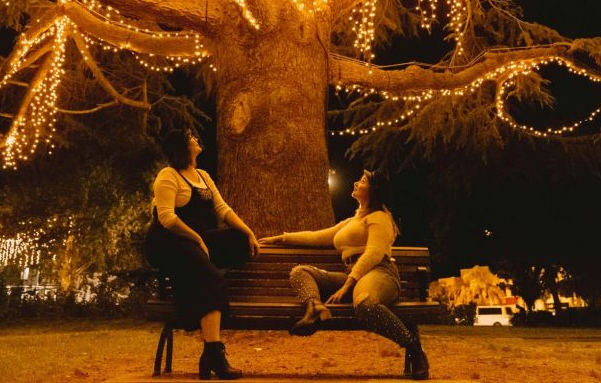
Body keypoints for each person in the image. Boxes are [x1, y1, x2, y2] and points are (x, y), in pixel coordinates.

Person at [259, 170, 429, 380]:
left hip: (379, 273)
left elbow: (374, 254)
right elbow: (317, 237)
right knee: (300, 272)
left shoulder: (380, 217)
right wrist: (282, 238)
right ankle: (315, 309)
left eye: (364, 181)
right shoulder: (352, 221)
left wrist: (347, 285)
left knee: (365, 305)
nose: (357, 182)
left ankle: (414, 348)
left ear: (374, 190)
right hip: (354, 277)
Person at [145, 128, 260, 380]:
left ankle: (195, 276)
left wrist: (248, 231)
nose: (196, 139)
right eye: (191, 138)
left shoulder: (204, 176)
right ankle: (214, 355)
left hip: (198, 241)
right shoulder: (168, 176)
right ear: (182, 147)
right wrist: (197, 239)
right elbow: (166, 218)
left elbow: (222, 208)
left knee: (239, 241)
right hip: (169, 241)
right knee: (212, 279)